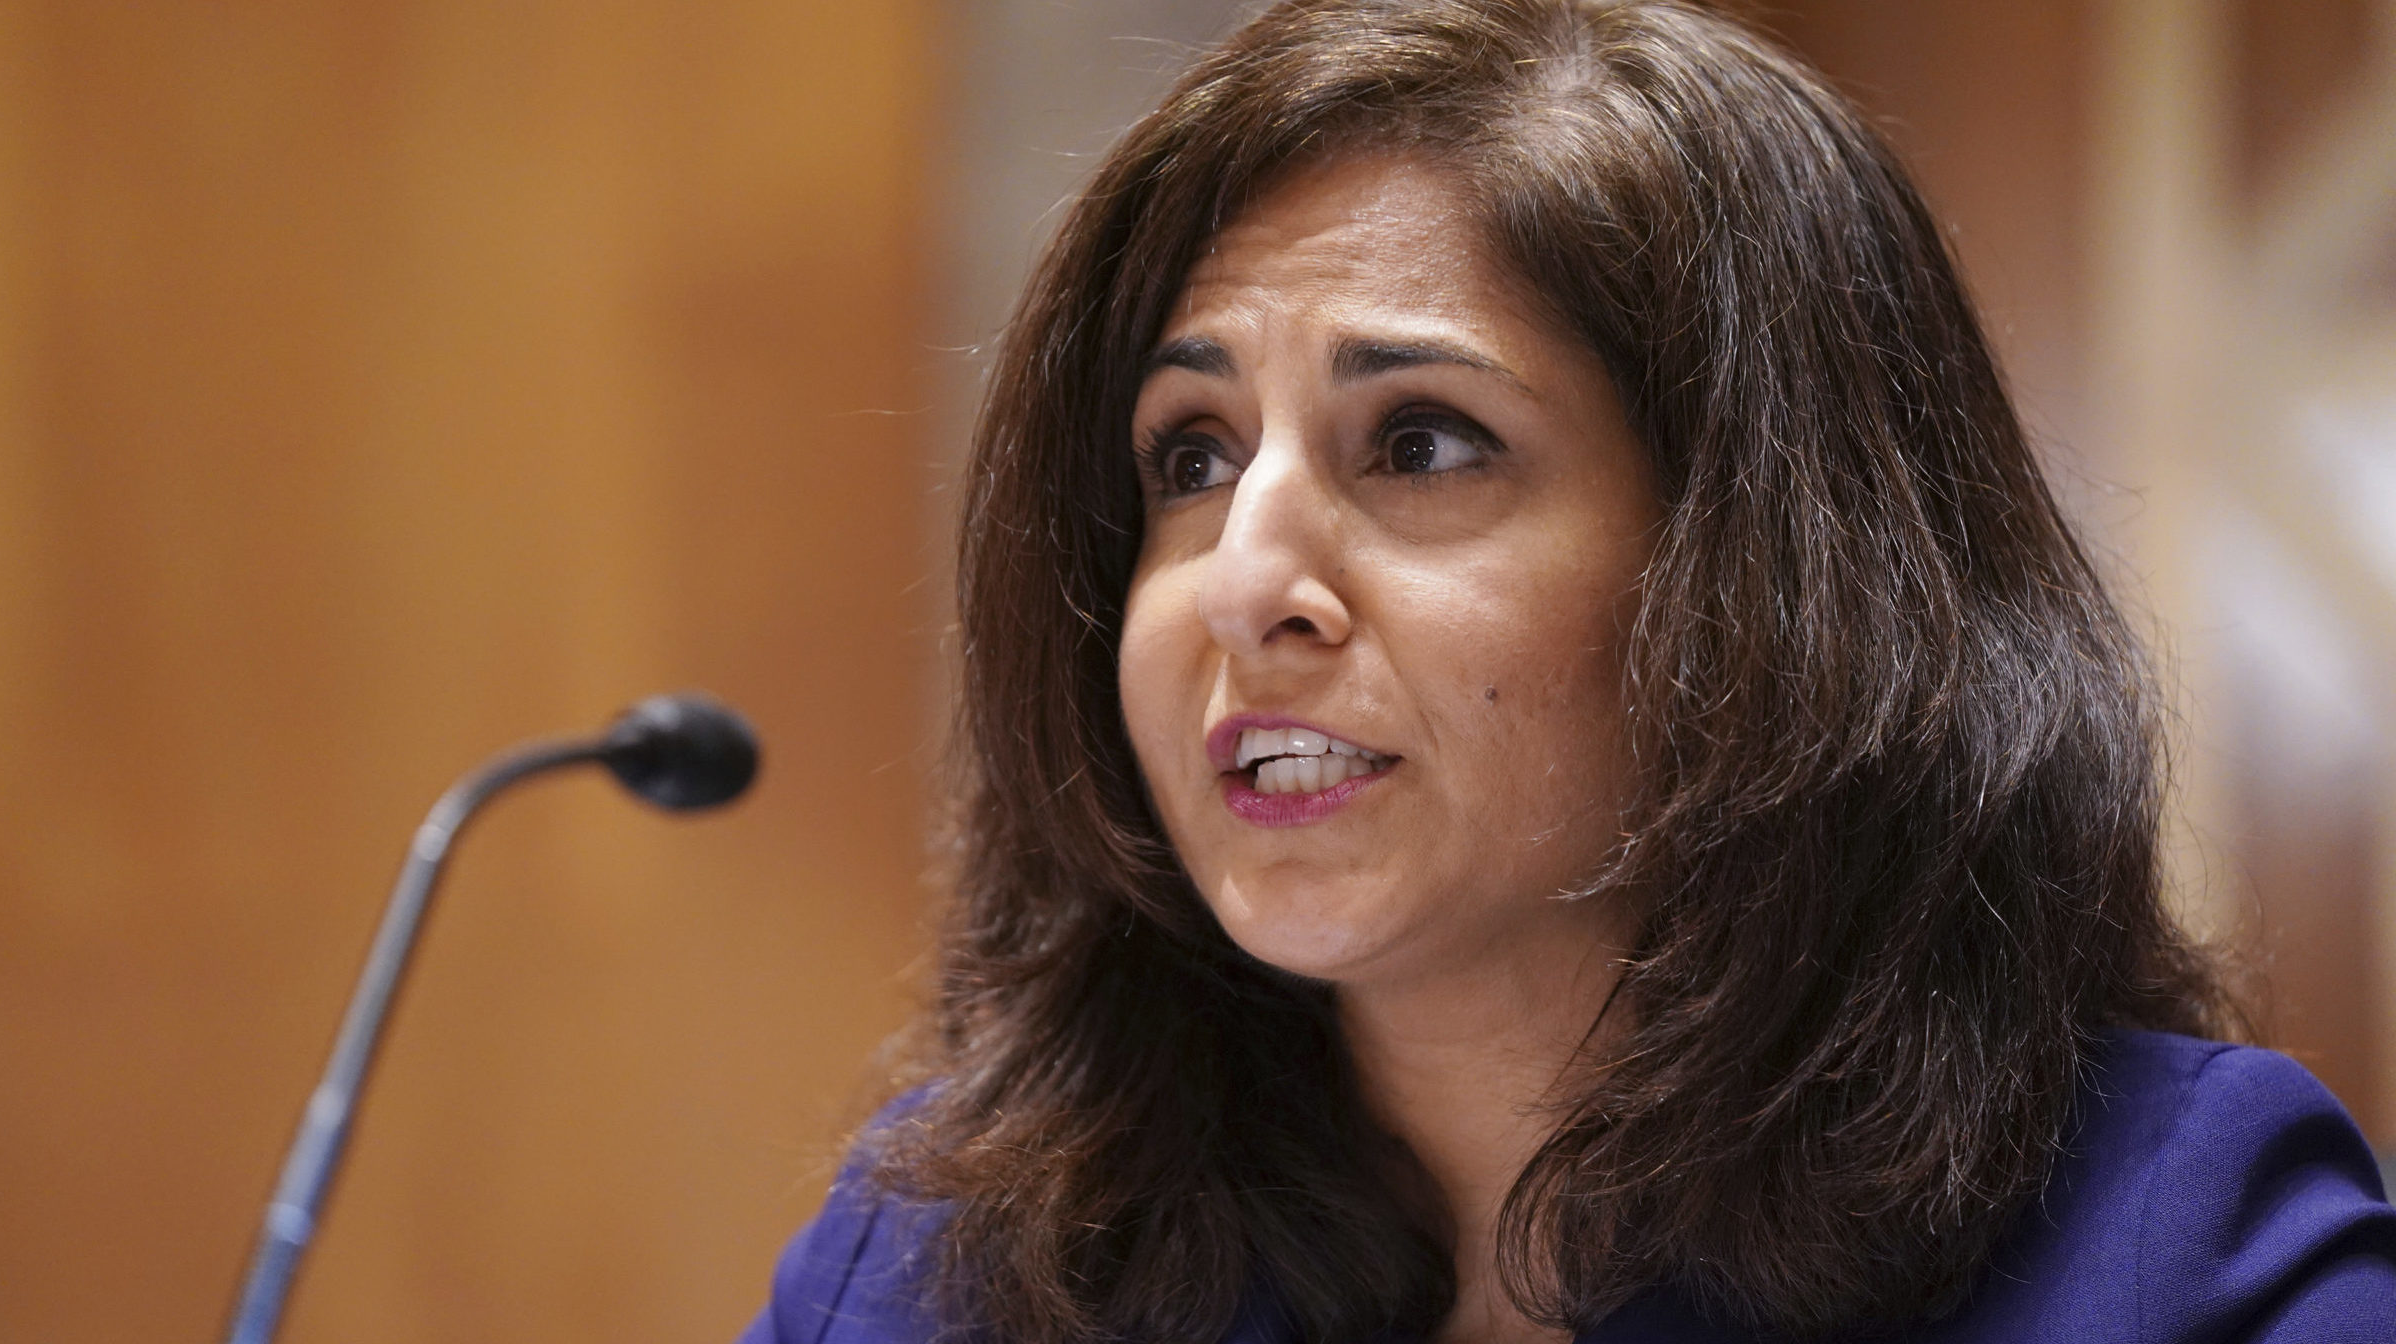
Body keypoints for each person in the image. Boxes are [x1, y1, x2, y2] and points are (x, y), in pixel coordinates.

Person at [740, 2, 2396, 1341]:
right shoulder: (936, 1267)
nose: (1241, 581)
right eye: (1189, 458)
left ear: (1767, 576)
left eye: (1422, 441)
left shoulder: (2173, 1245)